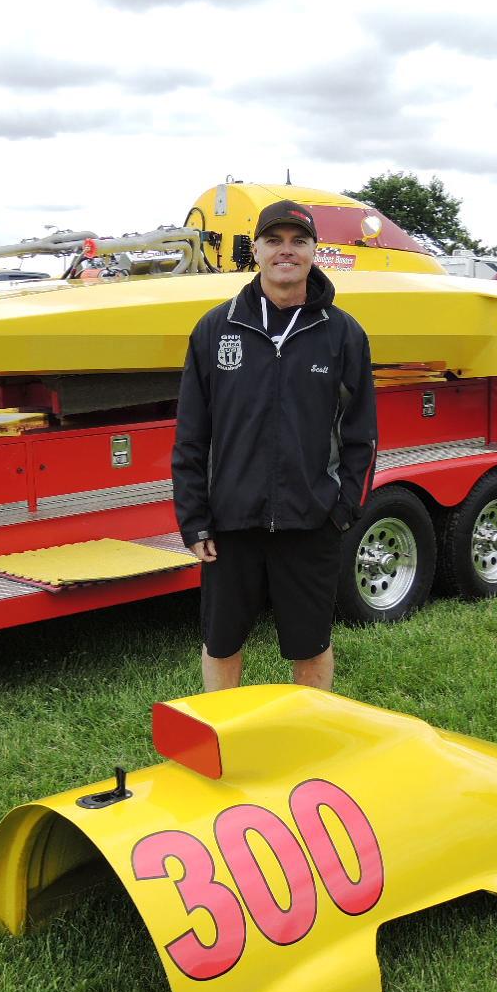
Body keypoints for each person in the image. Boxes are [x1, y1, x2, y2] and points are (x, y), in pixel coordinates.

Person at [172, 200, 377, 693]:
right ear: (257, 251)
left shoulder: (343, 334)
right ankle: (225, 744)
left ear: (313, 252)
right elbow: (191, 435)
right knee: (221, 643)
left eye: (298, 241)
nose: (286, 251)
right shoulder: (216, 328)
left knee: (310, 645)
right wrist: (194, 518)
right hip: (230, 523)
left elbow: (361, 435)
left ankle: (308, 745)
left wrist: (342, 509)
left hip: (310, 521)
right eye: (274, 241)